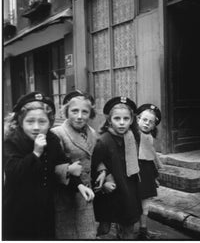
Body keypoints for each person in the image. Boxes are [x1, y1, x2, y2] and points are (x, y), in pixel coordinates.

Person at [3, 92, 82, 240]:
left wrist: (79, 185)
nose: (36, 127)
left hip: (44, 206)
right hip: (17, 208)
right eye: (30, 122)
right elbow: (13, 173)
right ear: (21, 122)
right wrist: (35, 153)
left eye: (42, 122)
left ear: (50, 122)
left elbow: (61, 164)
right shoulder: (11, 142)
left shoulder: (51, 139)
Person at [91, 96, 142, 239]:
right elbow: (94, 164)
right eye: (117, 119)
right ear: (109, 120)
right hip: (110, 191)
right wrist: (104, 181)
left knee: (128, 227)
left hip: (129, 188)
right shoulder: (103, 141)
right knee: (104, 228)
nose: (121, 123)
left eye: (126, 119)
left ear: (131, 120)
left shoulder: (133, 137)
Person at [51, 90, 100, 239]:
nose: (79, 116)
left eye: (84, 112)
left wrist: (102, 171)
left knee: (88, 233)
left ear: (90, 114)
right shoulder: (57, 133)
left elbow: (95, 157)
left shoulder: (92, 133)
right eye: (74, 111)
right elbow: (51, 165)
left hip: (86, 194)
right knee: (68, 234)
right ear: (66, 112)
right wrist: (68, 169)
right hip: (66, 195)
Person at [136, 103, 164, 239]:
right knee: (130, 201)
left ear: (154, 126)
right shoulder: (131, 135)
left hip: (146, 173)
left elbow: (151, 158)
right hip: (134, 172)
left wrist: (154, 177)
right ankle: (123, 230)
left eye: (151, 122)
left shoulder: (150, 138)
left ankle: (143, 229)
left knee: (145, 203)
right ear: (138, 119)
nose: (147, 124)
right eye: (144, 120)